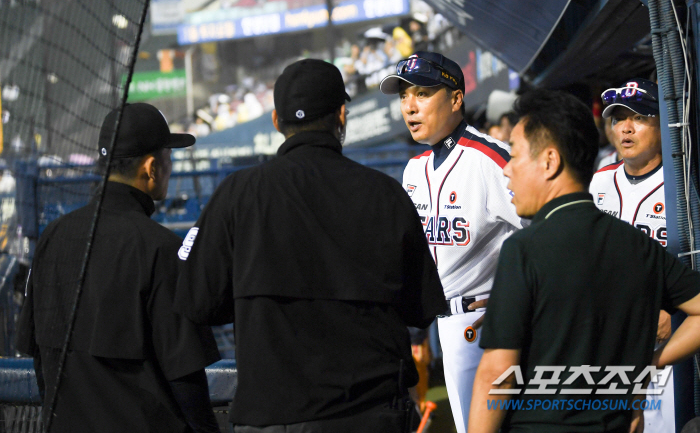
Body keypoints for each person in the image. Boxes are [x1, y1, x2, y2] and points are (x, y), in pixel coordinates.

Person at [173, 59, 446, 433]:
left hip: (272, 416)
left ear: (275, 121)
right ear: (341, 115)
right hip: (368, 414)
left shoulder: (238, 193)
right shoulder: (385, 194)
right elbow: (420, 309)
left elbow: (197, 302)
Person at [469, 89, 700, 433]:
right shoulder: (640, 246)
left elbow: (496, 373)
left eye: (515, 155)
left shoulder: (524, 249)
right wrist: (647, 367)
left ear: (549, 161)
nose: (506, 170)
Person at [16, 103, 221, 433]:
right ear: (152, 167)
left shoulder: (53, 238)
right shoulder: (159, 248)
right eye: (168, 155)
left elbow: (40, 359)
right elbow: (186, 380)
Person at [380, 52, 525, 433]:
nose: (410, 106)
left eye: (423, 93)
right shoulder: (414, 169)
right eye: (403, 95)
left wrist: (517, 302)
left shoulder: (492, 159)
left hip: (489, 325)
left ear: (456, 99)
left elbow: (548, 234)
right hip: (444, 323)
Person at [589, 78, 674, 432]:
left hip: (666, 341)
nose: (625, 127)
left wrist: (675, 308)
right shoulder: (599, 182)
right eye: (617, 118)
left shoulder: (682, 183)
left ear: (662, 122)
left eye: (638, 116)